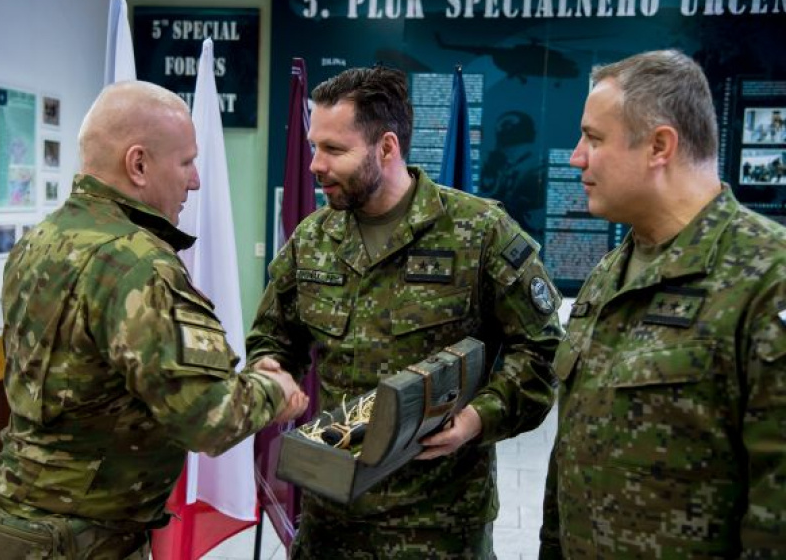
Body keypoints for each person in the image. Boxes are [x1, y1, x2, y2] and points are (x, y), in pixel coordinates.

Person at [0, 81, 308, 559]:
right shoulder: (138, 265)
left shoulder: (40, 239)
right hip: (79, 542)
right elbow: (207, 418)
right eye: (186, 162)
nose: (196, 181)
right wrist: (275, 389)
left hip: (8, 523)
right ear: (138, 164)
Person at [246, 66, 563, 559]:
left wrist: (477, 418)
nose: (315, 165)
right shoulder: (312, 239)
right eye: (313, 147)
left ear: (386, 148)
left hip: (437, 525)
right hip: (332, 517)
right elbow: (273, 336)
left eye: (333, 149)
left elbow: (541, 351)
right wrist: (270, 369)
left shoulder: (480, 233)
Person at [539, 50, 786, 558]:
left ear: (659, 146)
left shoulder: (768, 279)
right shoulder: (611, 272)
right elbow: (572, 457)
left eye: (594, 138)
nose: (576, 157)